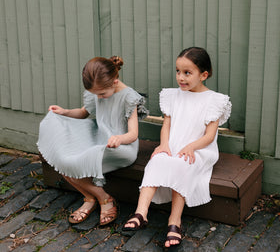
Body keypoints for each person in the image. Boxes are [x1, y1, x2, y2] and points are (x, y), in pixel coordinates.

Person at [122, 47, 232, 248]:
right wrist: (164, 144)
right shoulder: (173, 96)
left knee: (182, 164)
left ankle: (174, 220)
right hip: (173, 143)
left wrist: (191, 147)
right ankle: (141, 212)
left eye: (187, 73)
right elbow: (167, 126)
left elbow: (209, 136)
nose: (180, 77)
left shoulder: (214, 100)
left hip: (199, 148)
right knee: (157, 161)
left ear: (204, 75)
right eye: (178, 71)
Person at [37, 56, 148, 226]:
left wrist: (119, 138)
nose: (100, 97)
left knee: (77, 159)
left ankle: (100, 199)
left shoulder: (129, 97)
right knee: (61, 156)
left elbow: (133, 134)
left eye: (102, 94)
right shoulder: (97, 91)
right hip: (98, 136)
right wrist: (64, 112)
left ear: (115, 82)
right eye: (96, 95)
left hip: (121, 147)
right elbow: (83, 113)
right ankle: (94, 197)